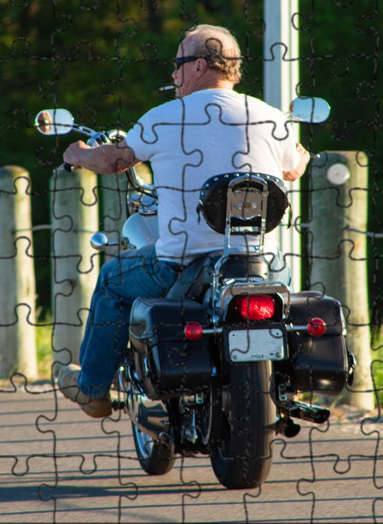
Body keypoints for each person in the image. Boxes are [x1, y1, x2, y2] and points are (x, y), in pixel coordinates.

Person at [55, 24, 311, 417]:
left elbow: (115, 160)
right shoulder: (269, 116)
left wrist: (78, 154)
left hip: (179, 266)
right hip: (257, 266)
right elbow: (295, 169)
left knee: (111, 278)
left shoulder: (165, 117)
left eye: (178, 63)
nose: (173, 74)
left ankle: (92, 389)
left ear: (200, 66)